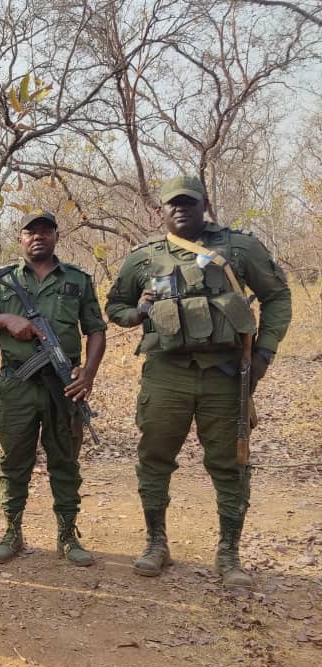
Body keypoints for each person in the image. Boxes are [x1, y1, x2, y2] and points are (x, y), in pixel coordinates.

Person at [105, 176, 291, 587]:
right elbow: (114, 306)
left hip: (225, 375)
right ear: (161, 210)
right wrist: (137, 313)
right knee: (154, 459)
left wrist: (264, 352)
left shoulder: (239, 248)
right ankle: (156, 542)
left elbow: (278, 296)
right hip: (166, 374)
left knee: (231, 465)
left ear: (205, 203)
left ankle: (229, 554)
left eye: (189, 202)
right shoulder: (144, 258)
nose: (181, 209)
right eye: (173, 203)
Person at [0, 210, 107, 567]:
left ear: (57, 236)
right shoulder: (2, 281)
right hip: (17, 384)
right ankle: (11, 531)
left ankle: (68, 535)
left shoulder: (77, 280)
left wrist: (88, 372)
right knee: (14, 460)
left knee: (65, 461)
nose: (38, 236)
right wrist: (6, 319)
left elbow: (96, 329)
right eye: (31, 231)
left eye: (46, 231)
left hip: (65, 385)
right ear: (20, 238)